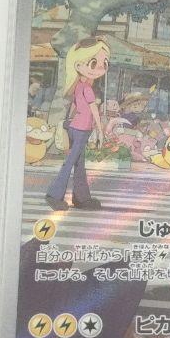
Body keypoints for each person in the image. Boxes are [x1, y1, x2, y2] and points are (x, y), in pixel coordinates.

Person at [45, 37, 109, 211]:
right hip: (82, 129)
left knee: (79, 164)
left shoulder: (79, 86)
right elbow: (94, 111)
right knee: (71, 162)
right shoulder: (87, 89)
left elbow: (74, 106)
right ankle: (54, 195)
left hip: (76, 127)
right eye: (94, 63)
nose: (101, 68)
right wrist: (100, 131)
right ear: (78, 65)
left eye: (104, 63)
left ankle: (81, 198)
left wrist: (70, 120)